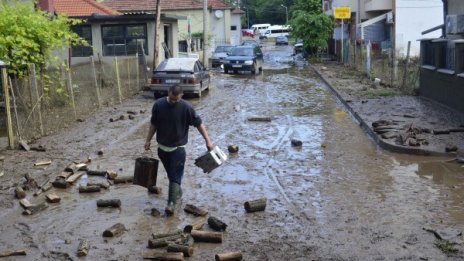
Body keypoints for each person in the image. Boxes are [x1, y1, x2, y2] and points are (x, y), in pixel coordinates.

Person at [144, 85, 214, 215]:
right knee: (171, 175)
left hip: (178, 149)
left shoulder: (187, 107)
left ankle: (171, 204)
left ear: (181, 96)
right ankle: (178, 192)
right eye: (171, 99)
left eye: (176, 99)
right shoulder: (158, 105)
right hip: (162, 148)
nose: (173, 102)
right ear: (168, 94)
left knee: (175, 175)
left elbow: (199, 124)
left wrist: (208, 141)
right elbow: (154, 124)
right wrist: (148, 140)